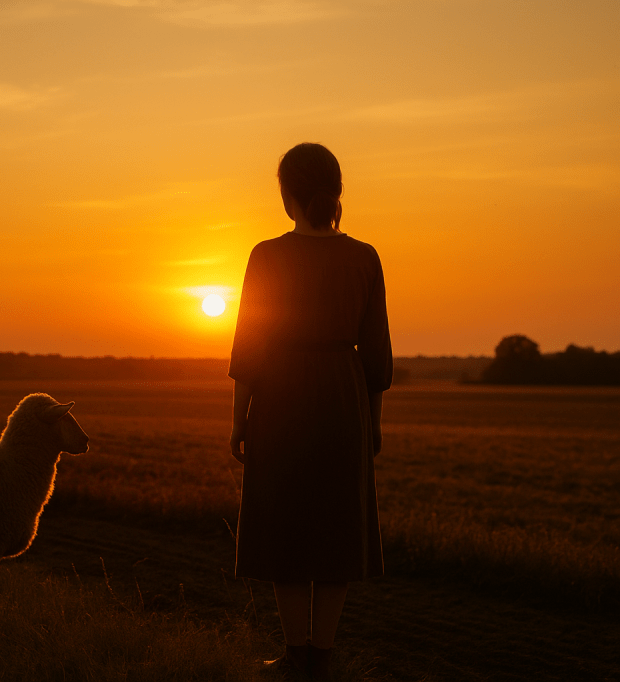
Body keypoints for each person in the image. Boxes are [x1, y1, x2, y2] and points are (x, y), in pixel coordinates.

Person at [228, 143, 392, 681]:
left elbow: (249, 347)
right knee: (338, 528)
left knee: (286, 526)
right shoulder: (364, 257)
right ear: (337, 190)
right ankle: (321, 656)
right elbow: (376, 353)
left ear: (287, 194)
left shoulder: (266, 255)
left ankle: (294, 654)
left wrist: (238, 420)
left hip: (281, 394)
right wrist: (373, 420)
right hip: (344, 395)